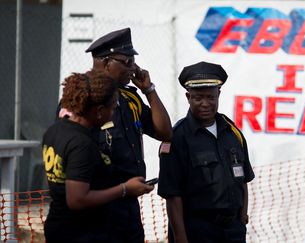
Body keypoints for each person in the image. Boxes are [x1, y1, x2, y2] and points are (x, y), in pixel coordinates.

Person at [58, 28, 172, 242]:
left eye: (133, 62)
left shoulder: (130, 98)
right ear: (105, 62)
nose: (133, 68)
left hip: (127, 207)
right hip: (95, 208)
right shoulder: (82, 98)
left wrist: (149, 90)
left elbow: (165, 132)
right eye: (127, 62)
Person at [43, 71, 153, 243]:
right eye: (113, 108)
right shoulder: (81, 144)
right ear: (100, 111)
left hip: (59, 226)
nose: (114, 114)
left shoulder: (55, 131)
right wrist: (125, 189)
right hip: (80, 233)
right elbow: (77, 199)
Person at [157, 61, 255, 243]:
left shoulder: (232, 133)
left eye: (211, 97)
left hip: (233, 231)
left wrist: (242, 219)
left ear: (219, 94)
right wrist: (180, 238)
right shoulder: (176, 138)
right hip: (197, 232)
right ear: (188, 97)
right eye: (198, 98)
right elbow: (172, 195)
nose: (205, 104)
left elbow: (243, 180)